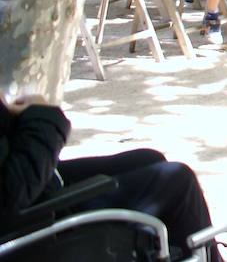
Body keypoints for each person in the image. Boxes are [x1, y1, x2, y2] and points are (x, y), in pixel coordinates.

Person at [0, 99, 213, 260]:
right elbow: (13, 189)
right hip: (31, 224)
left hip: (33, 192)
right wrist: (43, 115)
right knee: (178, 181)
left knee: (149, 159)